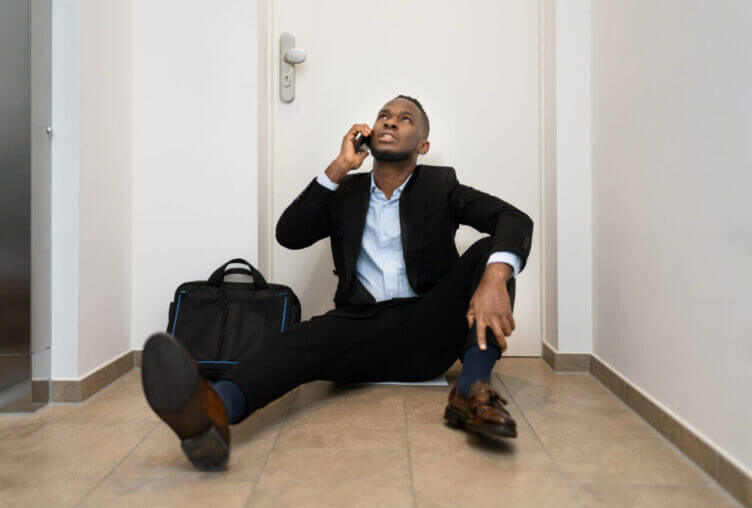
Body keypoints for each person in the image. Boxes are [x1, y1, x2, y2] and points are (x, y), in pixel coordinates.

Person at [141, 94, 534, 471]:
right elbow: (289, 233)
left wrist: (495, 279)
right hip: (358, 327)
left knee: (493, 255)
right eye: (384, 115)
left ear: (424, 145)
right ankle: (213, 412)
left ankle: (472, 388)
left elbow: (514, 220)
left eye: (405, 118)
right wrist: (339, 167)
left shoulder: (440, 185)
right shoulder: (346, 191)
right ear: (369, 132)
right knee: (293, 342)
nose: (390, 120)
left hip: (426, 328)